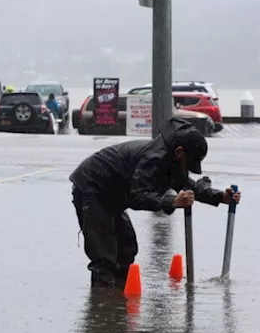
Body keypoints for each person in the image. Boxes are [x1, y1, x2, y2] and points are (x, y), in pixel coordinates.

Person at [69, 117, 241, 288]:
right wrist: (172, 201)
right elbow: (139, 196)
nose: (188, 169)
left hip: (112, 194)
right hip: (92, 188)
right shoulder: (153, 159)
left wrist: (219, 197)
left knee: (126, 248)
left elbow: (187, 185)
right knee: (104, 257)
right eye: (189, 164)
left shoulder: (172, 158)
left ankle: (119, 295)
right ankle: (102, 305)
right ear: (180, 152)